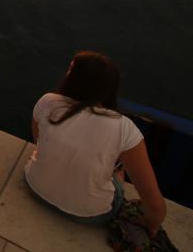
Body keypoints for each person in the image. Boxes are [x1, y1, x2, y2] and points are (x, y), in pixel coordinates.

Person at [25, 52, 166, 234]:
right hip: (90, 214)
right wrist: (152, 224)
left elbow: (38, 141)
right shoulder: (125, 128)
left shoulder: (47, 101)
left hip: (35, 187)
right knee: (119, 172)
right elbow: (155, 208)